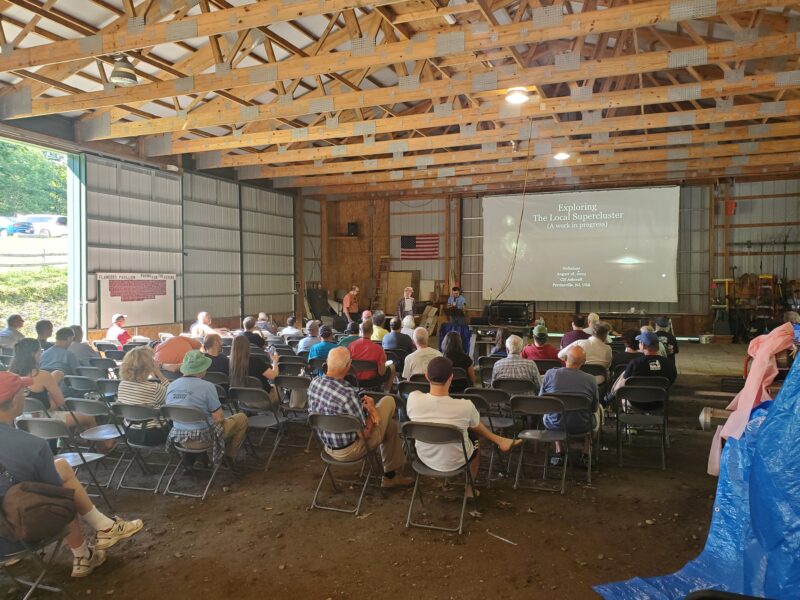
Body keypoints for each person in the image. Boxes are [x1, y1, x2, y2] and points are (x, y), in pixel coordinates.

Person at [0, 372, 144, 579]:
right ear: (15, 401)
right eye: (24, 391)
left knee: (60, 469)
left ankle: (100, 534)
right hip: (14, 537)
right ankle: (89, 547)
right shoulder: (31, 445)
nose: (26, 394)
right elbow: (57, 497)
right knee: (62, 490)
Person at [406, 357, 519, 495]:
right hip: (458, 460)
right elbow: (476, 426)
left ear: (426, 376)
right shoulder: (465, 406)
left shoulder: (412, 399)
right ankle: (469, 489)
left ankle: (499, 440)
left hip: (424, 458)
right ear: (451, 378)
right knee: (474, 437)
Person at [307, 347, 412, 488]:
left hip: (328, 447)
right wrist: (372, 410)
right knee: (388, 400)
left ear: (327, 362)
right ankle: (390, 476)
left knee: (390, 426)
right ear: (348, 366)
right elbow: (365, 434)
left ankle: (390, 476)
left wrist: (361, 408)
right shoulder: (347, 394)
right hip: (351, 451)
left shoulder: (314, 383)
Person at [166, 351, 248, 465]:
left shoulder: (171, 385)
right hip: (204, 439)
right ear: (201, 370)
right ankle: (229, 456)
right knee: (241, 418)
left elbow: (170, 414)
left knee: (200, 421)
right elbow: (218, 418)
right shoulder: (207, 386)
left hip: (179, 438)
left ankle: (193, 457)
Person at [9, 338, 96, 432]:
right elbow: (60, 403)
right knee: (88, 418)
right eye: (40, 352)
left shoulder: (8, 376)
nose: (41, 354)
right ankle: (104, 445)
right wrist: (54, 382)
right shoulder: (43, 375)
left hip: (19, 423)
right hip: (44, 422)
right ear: (33, 354)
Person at [540, 346, 599, 467]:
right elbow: (594, 408)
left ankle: (559, 450)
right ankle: (586, 453)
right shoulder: (591, 379)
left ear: (565, 358)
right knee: (598, 411)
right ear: (584, 361)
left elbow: (542, 401)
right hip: (583, 425)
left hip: (554, 424)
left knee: (553, 409)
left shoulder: (550, 374)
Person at [117, 347, 171, 445]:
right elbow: (173, 394)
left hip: (129, 432)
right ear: (148, 367)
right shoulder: (155, 388)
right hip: (152, 434)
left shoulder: (122, 385)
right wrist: (159, 374)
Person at [348, 319, 393, 391]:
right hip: (372, 381)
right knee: (391, 368)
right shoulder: (378, 349)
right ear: (372, 331)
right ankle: (386, 392)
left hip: (355, 381)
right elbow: (381, 373)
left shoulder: (351, 346)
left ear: (360, 331)